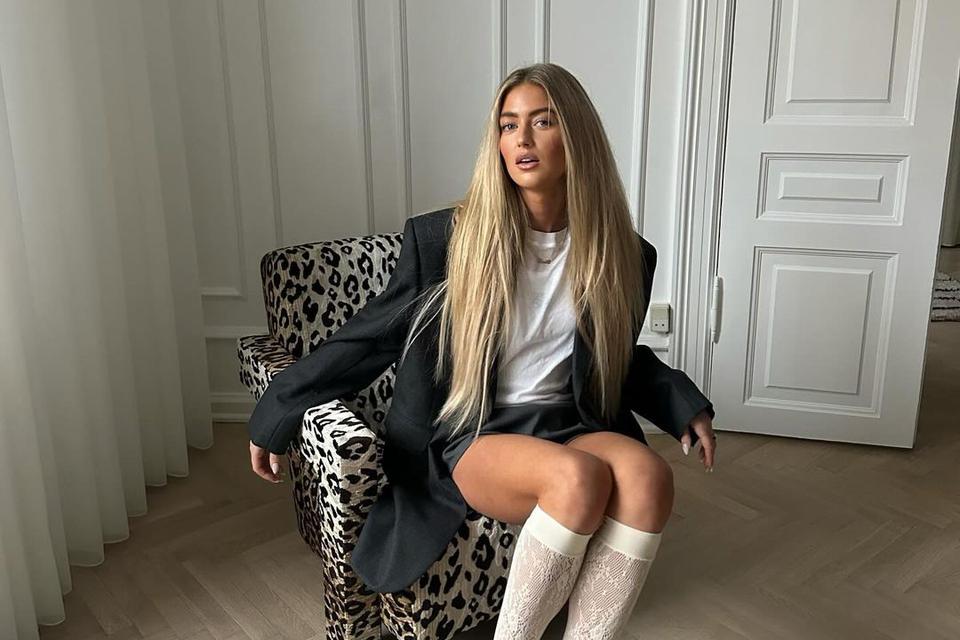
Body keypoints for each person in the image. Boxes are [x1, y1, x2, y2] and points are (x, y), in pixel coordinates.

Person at [248, 62, 717, 639]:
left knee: (649, 477)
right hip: (479, 431)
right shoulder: (447, 241)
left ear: (577, 136)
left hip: (571, 422)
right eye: (508, 125)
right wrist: (279, 405)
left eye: (542, 122)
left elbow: (617, 356)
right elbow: (372, 336)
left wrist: (680, 402)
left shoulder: (624, 253)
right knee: (576, 479)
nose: (521, 140)